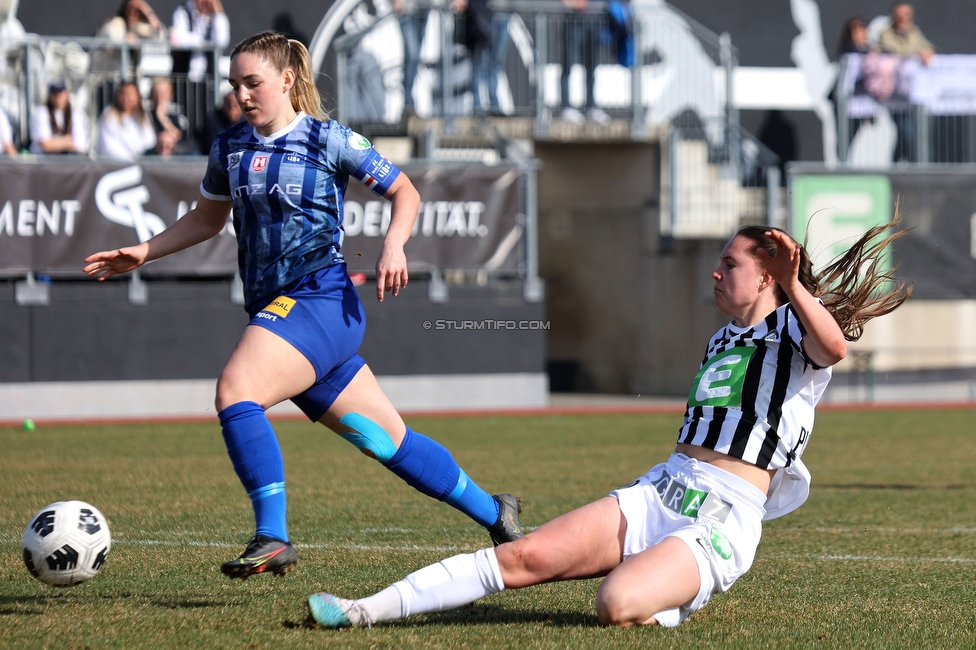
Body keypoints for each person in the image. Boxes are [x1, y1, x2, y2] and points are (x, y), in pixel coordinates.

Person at [306, 220, 912, 629]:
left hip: (722, 516)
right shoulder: (722, 338)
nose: (716, 273)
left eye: (729, 264)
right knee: (525, 555)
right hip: (663, 488)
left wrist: (792, 280)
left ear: (766, 275)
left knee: (616, 602)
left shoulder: (791, 331)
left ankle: (665, 599)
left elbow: (833, 348)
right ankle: (363, 610)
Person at [83, 30, 524, 581]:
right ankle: (496, 513)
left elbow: (405, 191)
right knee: (388, 441)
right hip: (281, 311)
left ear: (287, 79)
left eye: (253, 83)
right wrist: (143, 252)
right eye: (234, 84)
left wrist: (393, 243)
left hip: (320, 299)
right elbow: (208, 218)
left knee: (235, 391)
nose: (241, 95)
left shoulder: (329, 138)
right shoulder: (229, 147)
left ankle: (272, 536)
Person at [878, 3, 934, 163]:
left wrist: (927, 52)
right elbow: (893, 53)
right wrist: (916, 54)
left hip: (914, 93)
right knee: (907, 131)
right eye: (900, 15)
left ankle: (897, 166)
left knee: (908, 133)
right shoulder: (885, 34)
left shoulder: (914, 33)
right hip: (895, 95)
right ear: (893, 17)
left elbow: (927, 48)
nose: (904, 19)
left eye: (907, 15)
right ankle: (915, 166)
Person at [559, 0, 610, 125]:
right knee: (567, 65)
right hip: (573, 20)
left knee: (591, 67)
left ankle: (591, 106)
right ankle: (566, 106)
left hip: (593, 22)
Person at [170, 0, 231, 83]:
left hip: (208, 76)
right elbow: (180, 39)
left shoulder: (214, 16)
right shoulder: (183, 11)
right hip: (184, 75)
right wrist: (204, 42)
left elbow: (221, 40)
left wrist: (218, 13)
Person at [96, 80, 156, 161]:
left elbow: (150, 140)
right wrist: (131, 160)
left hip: (143, 163)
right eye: (122, 94)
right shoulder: (109, 115)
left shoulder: (144, 115)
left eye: (129, 95)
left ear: (137, 97)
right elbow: (108, 147)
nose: (125, 98)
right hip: (117, 164)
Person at [29, 79, 89, 155]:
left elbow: (80, 146)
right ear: (50, 95)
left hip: (68, 162)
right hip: (44, 161)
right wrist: (66, 141)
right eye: (54, 93)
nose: (58, 97)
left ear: (66, 94)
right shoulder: (41, 112)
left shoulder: (74, 114)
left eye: (60, 93)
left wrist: (55, 143)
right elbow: (46, 145)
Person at [148, 76, 196, 154]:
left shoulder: (177, 111)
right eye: (157, 92)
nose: (160, 96)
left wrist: (162, 118)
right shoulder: (147, 113)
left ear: (170, 93)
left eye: (164, 92)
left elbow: (177, 136)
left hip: (177, 151)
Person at [97, 0, 166, 44]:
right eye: (130, 8)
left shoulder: (138, 27)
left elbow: (159, 36)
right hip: (111, 66)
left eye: (137, 10)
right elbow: (113, 36)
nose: (132, 13)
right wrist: (125, 38)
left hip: (131, 66)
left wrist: (149, 13)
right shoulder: (117, 22)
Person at [199, 88, 243, 155]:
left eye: (235, 105)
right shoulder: (213, 118)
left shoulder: (248, 120)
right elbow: (212, 144)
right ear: (223, 105)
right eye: (228, 104)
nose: (232, 108)